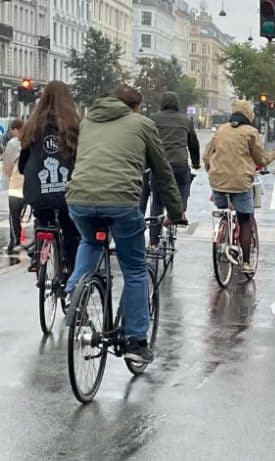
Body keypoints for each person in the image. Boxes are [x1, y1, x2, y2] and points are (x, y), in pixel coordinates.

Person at [65, 85, 185, 364]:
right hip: (120, 203)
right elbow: (162, 172)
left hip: (79, 200)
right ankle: (136, 340)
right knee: (134, 268)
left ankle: (74, 293)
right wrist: (176, 211)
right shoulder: (142, 124)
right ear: (135, 107)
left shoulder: (87, 121)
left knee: (92, 241)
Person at [18, 80, 80, 275]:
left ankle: (39, 254)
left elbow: (23, 163)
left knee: (43, 221)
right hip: (67, 192)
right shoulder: (74, 126)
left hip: (39, 191)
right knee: (71, 232)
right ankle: (71, 275)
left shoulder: (32, 126)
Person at [204, 99, 270, 275]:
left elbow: (207, 154)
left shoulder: (221, 130)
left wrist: (210, 170)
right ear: (249, 115)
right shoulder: (251, 132)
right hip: (240, 184)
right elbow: (260, 159)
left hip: (217, 182)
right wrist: (274, 156)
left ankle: (222, 232)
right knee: (245, 219)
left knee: (223, 209)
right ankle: (247, 262)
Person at [148, 91, 201, 246]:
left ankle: (153, 242)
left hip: (159, 165)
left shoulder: (153, 119)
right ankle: (179, 212)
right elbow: (194, 144)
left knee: (157, 202)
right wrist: (196, 163)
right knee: (184, 185)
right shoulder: (186, 120)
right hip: (179, 164)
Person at [3, 119, 25, 255]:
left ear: (15, 129)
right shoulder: (33, 140)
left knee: (14, 216)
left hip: (17, 186)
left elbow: (7, 168)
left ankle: (15, 243)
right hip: (33, 186)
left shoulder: (13, 143)